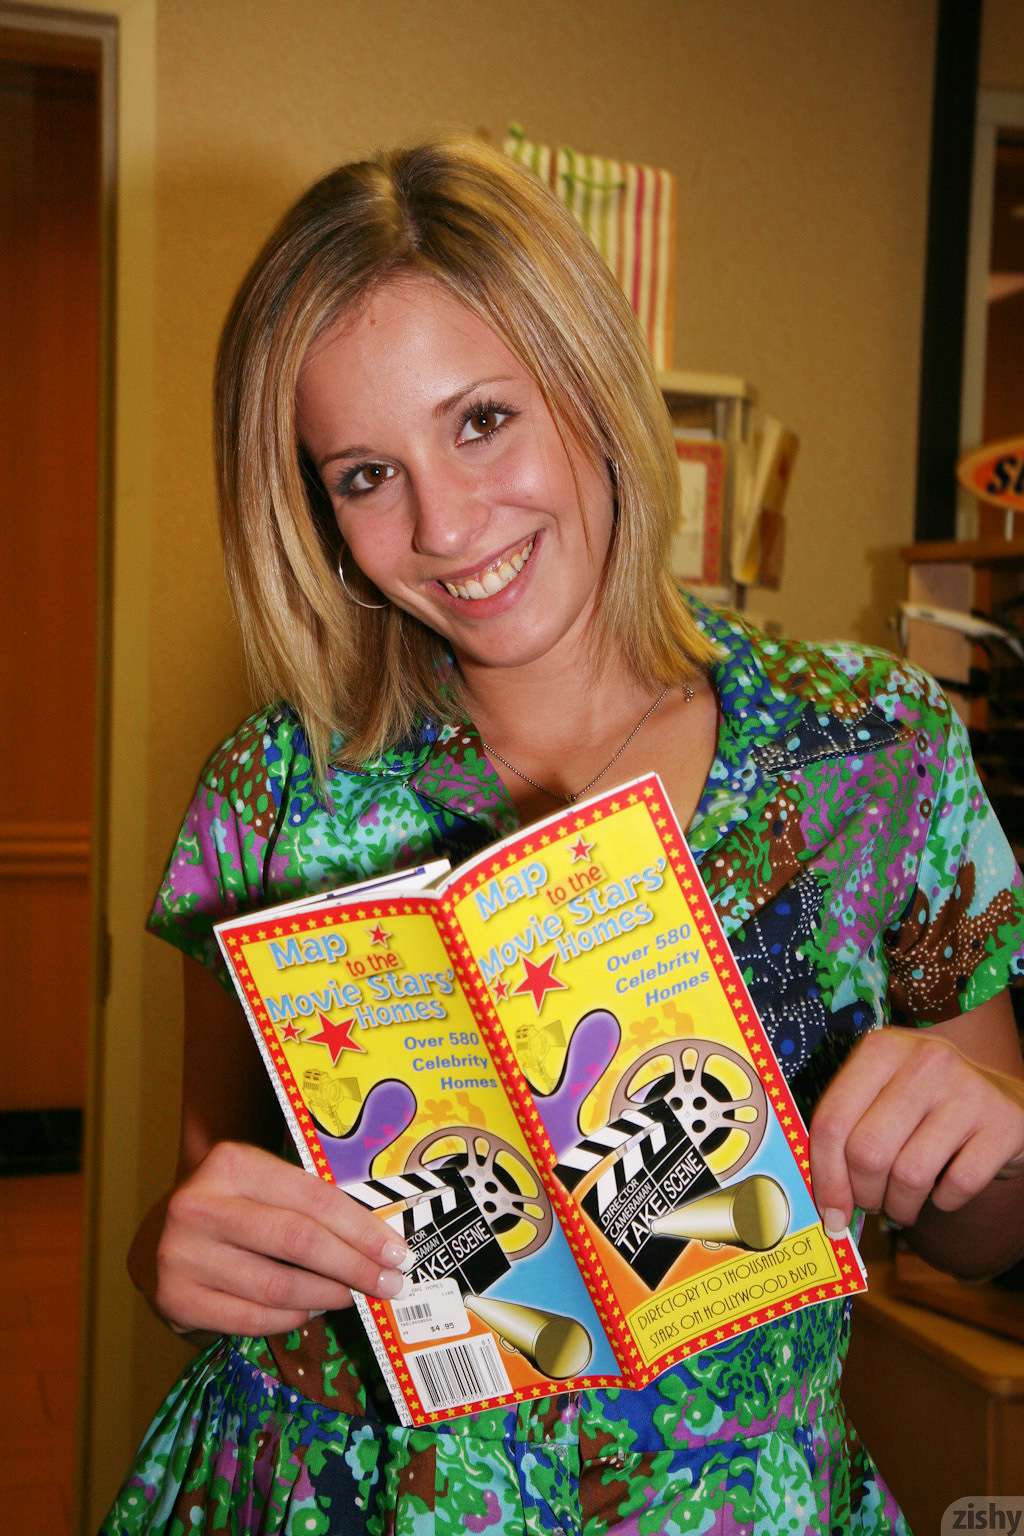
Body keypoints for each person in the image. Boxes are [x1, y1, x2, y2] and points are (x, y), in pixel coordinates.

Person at [102, 138, 1024, 1536]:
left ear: (589, 387)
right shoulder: (274, 792)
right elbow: (209, 1206)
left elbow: (993, 1230)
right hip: (335, 1493)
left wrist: (984, 1147)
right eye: (366, 473)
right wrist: (179, 1261)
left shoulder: (873, 750)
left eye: (482, 420)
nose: (445, 524)